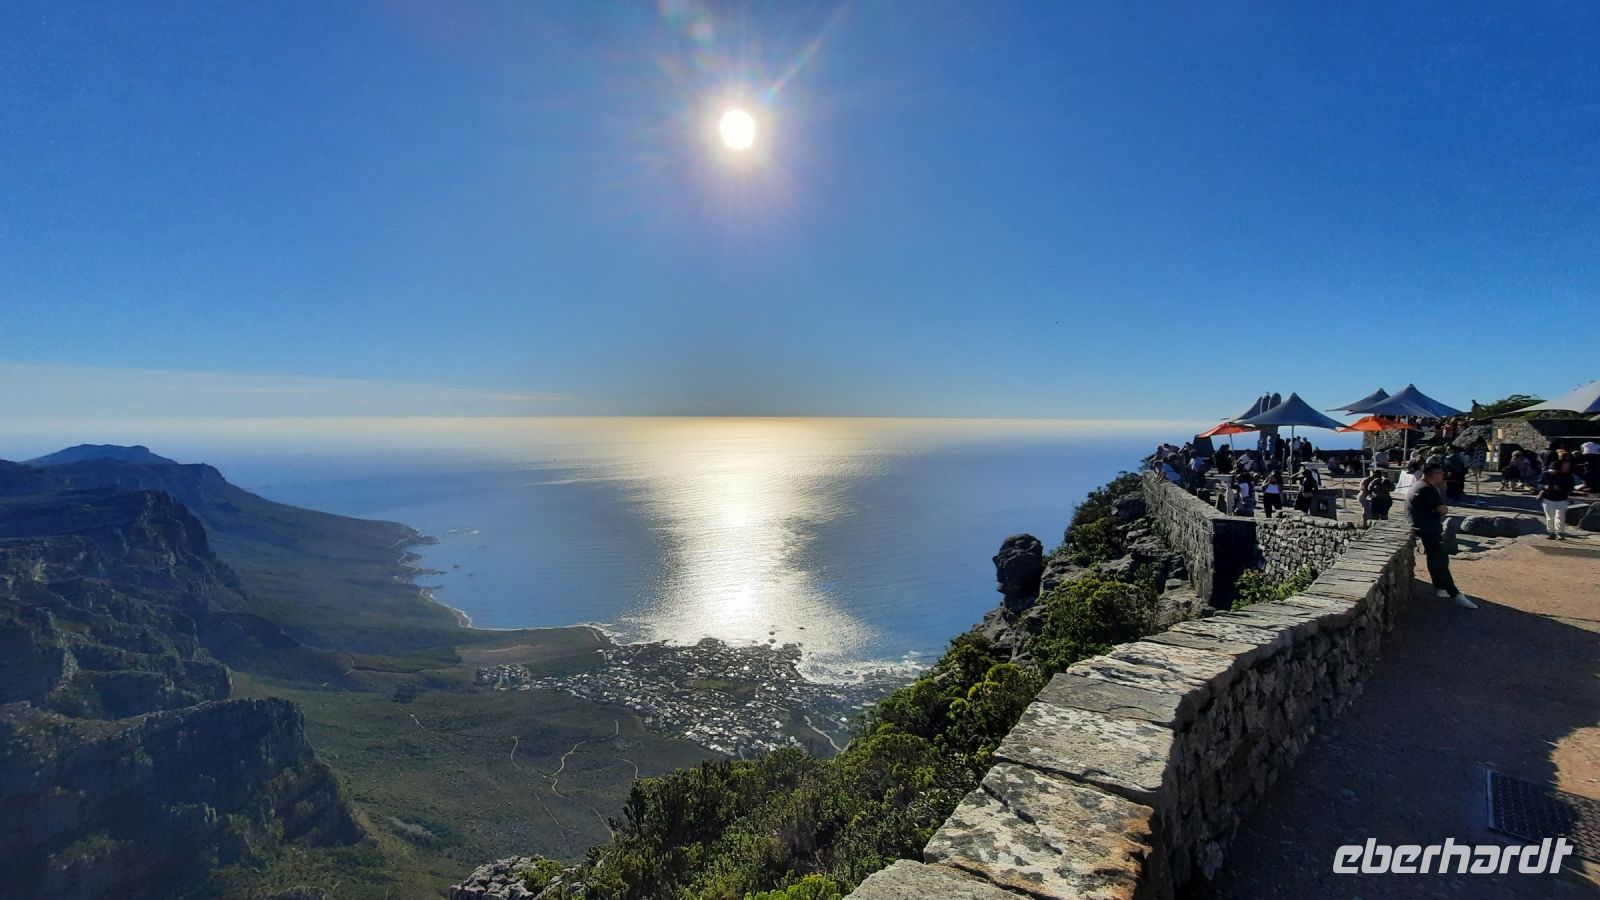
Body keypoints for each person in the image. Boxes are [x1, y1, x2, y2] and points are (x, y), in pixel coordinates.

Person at [1408, 463, 1476, 609]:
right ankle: (1454, 593)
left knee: (1437, 559)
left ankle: (1442, 588)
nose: (1443, 476)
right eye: (1441, 473)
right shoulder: (1427, 489)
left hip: (1420, 526)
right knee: (1440, 560)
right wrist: (1441, 492)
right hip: (1427, 528)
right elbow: (1442, 509)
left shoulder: (1419, 486)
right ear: (1433, 474)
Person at [1538, 461, 1576, 541]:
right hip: (1548, 498)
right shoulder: (1545, 474)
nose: (1552, 472)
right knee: (1549, 517)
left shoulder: (1567, 476)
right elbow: (1539, 484)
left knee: (1560, 517)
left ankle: (1560, 533)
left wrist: (1561, 488)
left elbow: (1571, 488)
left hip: (1562, 498)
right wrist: (1545, 487)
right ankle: (1551, 532)